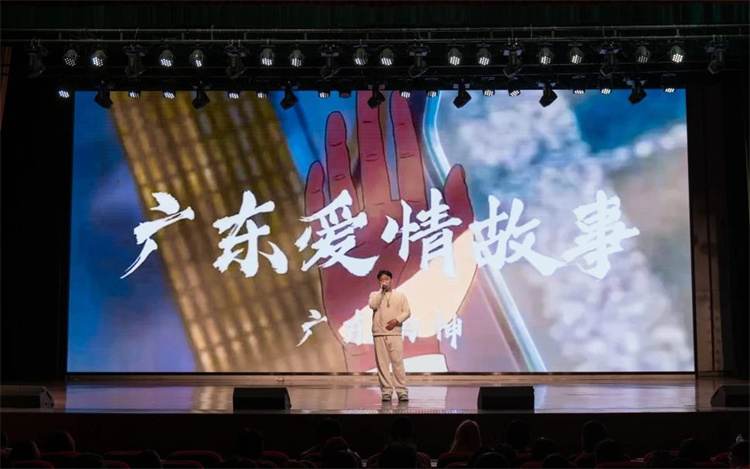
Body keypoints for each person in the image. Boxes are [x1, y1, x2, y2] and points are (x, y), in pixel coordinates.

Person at [368, 269, 411, 401]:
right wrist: (381, 291)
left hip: (394, 333)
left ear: (391, 280)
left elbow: (407, 312)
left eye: (386, 279)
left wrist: (397, 320)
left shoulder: (400, 296)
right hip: (379, 333)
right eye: (381, 280)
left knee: (398, 363)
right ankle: (386, 391)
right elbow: (373, 305)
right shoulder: (375, 295)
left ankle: (402, 391)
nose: (384, 282)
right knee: (382, 364)